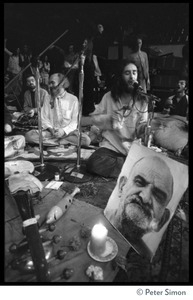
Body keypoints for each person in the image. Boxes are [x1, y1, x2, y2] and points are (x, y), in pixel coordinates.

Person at [85, 60, 148, 178]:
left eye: (134, 73)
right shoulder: (108, 96)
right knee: (93, 163)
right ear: (120, 76)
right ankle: (131, 169)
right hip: (110, 148)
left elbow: (141, 128)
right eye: (127, 73)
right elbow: (94, 118)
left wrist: (145, 129)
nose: (132, 77)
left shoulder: (143, 100)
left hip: (131, 148)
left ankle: (129, 167)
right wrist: (109, 119)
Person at [107, 155, 173, 242]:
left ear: (162, 220)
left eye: (158, 196)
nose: (145, 197)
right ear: (122, 186)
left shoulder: (145, 255)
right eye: (139, 182)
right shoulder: (94, 218)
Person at [25, 72, 90, 146]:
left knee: (86, 140)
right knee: (29, 136)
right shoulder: (47, 98)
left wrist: (63, 131)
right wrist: (51, 129)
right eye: (49, 83)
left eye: (52, 83)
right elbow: (43, 118)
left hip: (67, 133)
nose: (50, 86)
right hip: (51, 132)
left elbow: (74, 122)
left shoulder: (73, 99)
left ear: (62, 83)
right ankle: (60, 142)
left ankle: (55, 142)